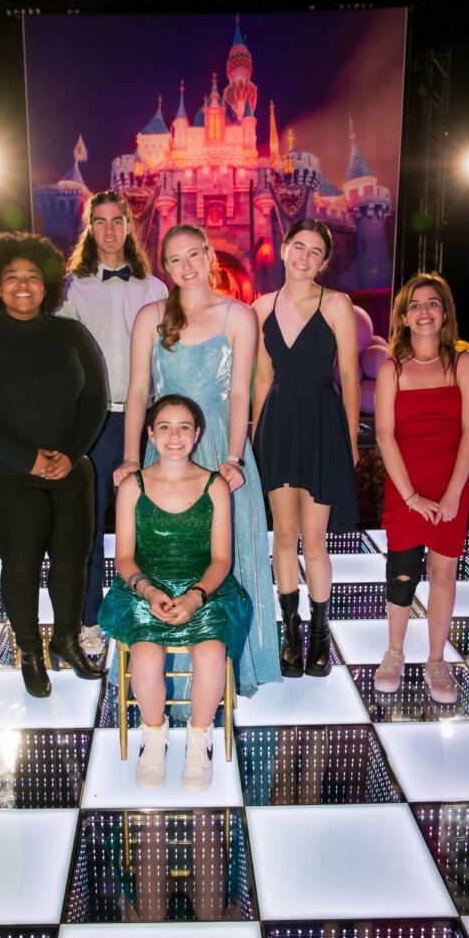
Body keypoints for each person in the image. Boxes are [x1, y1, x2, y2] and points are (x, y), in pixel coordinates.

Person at [114, 224, 280, 698]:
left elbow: (241, 392)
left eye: (193, 255)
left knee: (230, 555)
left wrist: (233, 458)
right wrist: (131, 458)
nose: (185, 266)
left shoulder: (238, 315)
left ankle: (228, 670)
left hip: (223, 450)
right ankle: (161, 668)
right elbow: (138, 392)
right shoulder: (150, 316)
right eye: (174, 259)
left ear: (209, 255)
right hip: (167, 451)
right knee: (165, 553)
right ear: (164, 266)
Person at [0, 232, 108, 698]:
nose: (23, 285)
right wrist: (29, 458)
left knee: (72, 561)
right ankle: (30, 652)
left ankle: (66, 638)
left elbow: (95, 400)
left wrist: (72, 454)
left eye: (33, 277)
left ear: (48, 285)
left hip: (69, 467)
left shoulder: (71, 334)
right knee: (21, 564)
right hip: (7, 471)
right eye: (12, 277)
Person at [100, 395, 250, 791]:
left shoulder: (215, 486)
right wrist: (149, 591)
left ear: (197, 434)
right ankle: (154, 734)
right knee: (146, 658)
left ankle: (199, 737)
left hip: (205, 588)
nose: (174, 436)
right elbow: (124, 558)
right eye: (164, 427)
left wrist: (196, 595)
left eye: (184, 427)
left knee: (211, 655)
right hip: (146, 588)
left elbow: (221, 560)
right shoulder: (132, 486)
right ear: (150, 434)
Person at [57, 190, 168, 656]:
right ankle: (88, 621)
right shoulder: (71, 288)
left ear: (128, 226)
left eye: (116, 221)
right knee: (88, 528)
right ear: (89, 228)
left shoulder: (155, 288)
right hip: (93, 422)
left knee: (146, 527)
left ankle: (145, 616)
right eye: (99, 221)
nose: (109, 230)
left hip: (146, 422)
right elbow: (59, 358)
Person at [252, 218, 360, 679]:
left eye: (316, 252)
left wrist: (350, 443)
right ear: (283, 249)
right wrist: (255, 442)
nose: (305, 257)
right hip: (277, 427)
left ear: (324, 262)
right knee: (283, 535)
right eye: (299, 246)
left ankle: (319, 635)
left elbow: (350, 377)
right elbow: (261, 379)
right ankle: (291, 635)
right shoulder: (260, 307)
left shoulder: (337, 304)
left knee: (314, 541)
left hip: (321, 426)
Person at [373, 273, 469, 703]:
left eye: (432, 303)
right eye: (415, 305)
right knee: (402, 572)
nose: (424, 311)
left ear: (444, 312)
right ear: (403, 316)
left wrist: (453, 493)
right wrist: (412, 497)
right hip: (406, 485)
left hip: (451, 481)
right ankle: (394, 653)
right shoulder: (391, 369)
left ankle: (437, 660)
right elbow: (384, 436)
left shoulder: (464, 363)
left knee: (443, 573)